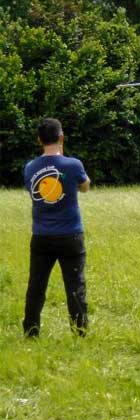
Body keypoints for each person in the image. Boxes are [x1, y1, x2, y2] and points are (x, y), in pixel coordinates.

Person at [23, 118, 91, 337]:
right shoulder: (73, 165)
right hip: (70, 235)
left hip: (41, 235)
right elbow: (85, 186)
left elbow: (35, 192)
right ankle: (79, 332)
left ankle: (31, 331)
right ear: (61, 138)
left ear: (38, 140)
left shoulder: (30, 167)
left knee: (36, 286)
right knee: (75, 285)